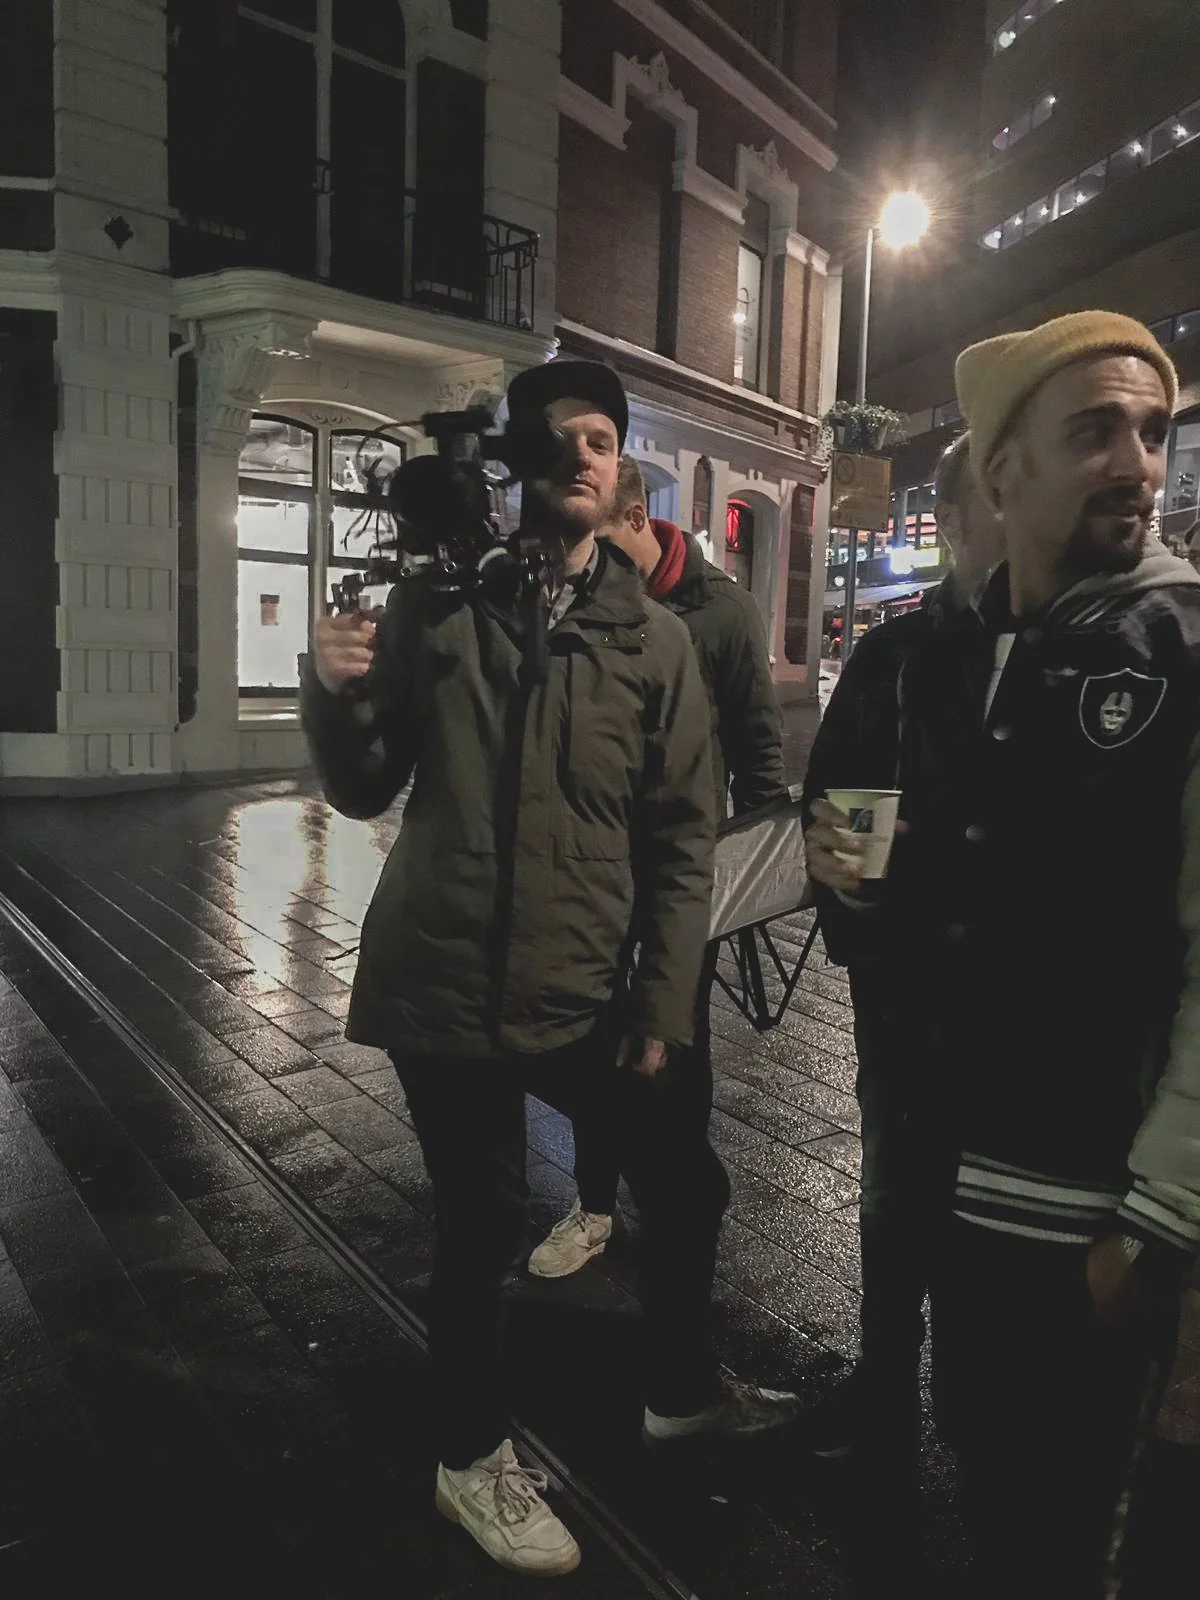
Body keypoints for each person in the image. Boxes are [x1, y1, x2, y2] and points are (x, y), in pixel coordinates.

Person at [301, 359, 796, 1580]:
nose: (587, 453)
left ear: (621, 467)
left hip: (587, 986)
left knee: (684, 1182)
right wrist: (328, 692)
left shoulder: (655, 639)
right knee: (481, 1218)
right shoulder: (438, 608)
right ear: (518, 460)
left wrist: (665, 1001)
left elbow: (686, 839)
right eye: (563, 436)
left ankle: (679, 1394)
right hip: (442, 977)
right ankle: (470, 1457)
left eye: (605, 438)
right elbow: (363, 784)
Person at [813, 312, 1200, 1595]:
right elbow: (938, 893)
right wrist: (860, 885)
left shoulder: (1184, 651)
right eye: (1094, 430)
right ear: (1001, 471)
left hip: (1089, 1221)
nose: (1139, 462)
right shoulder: (951, 658)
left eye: (1152, 430)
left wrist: (1156, 1223)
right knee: (986, 1484)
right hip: (948, 1182)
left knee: (1071, 1533)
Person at [528, 456, 789, 1278]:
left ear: (636, 516)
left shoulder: (722, 611)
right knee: (592, 1038)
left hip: (683, 876)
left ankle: (681, 1205)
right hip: (592, 874)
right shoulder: (577, 599)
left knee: (679, 1045)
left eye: (600, 534)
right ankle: (597, 1206)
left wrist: (750, 872)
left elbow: (758, 747)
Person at [800, 434, 1004, 1480]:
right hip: (909, 988)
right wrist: (876, 891)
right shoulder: (893, 657)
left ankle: (977, 1406)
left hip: (1034, 1010)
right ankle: (886, 1382)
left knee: (993, 1208)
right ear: (959, 521)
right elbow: (833, 817)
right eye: (995, 503)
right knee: (898, 1185)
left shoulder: (1083, 658)